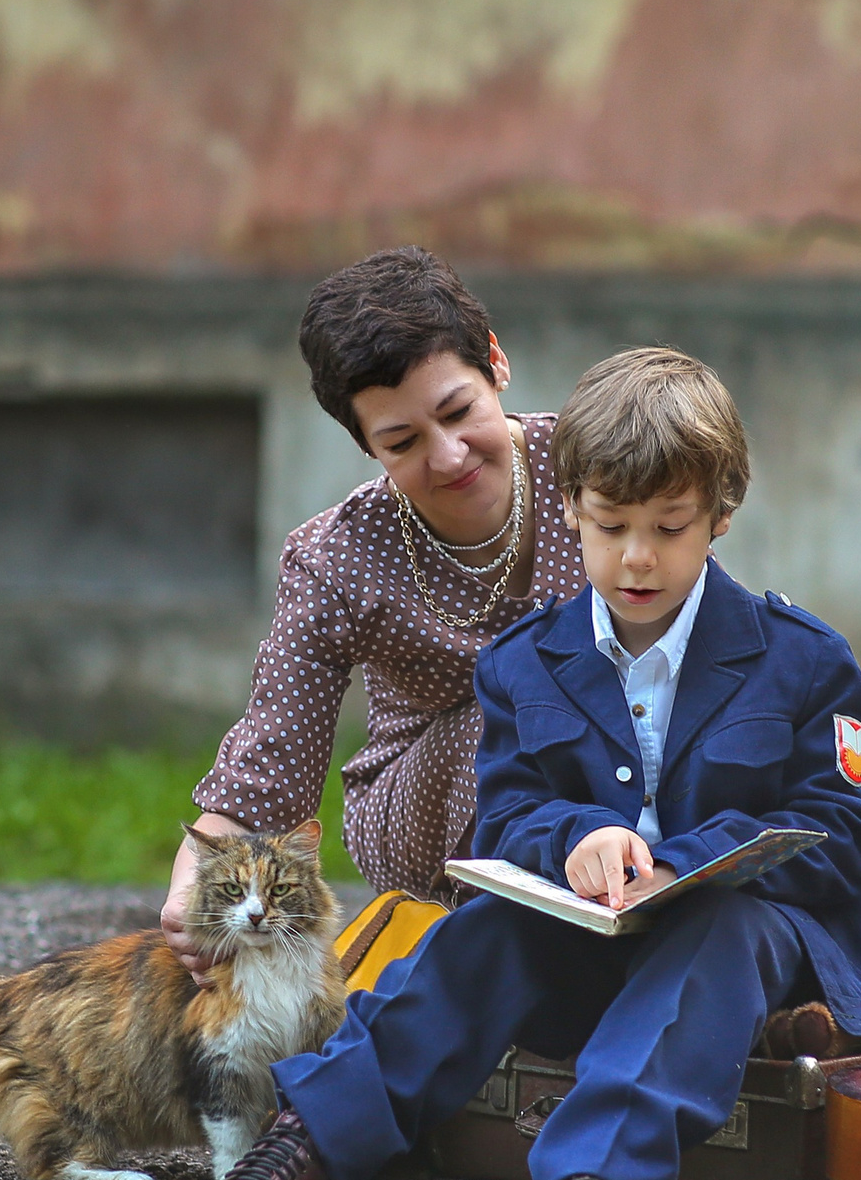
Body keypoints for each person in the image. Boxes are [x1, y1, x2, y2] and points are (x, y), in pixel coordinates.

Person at [178, 348, 861, 1180]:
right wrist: (577, 836)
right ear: (570, 508)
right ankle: (302, 1155)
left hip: (756, 963)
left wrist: (689, 861)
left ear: (722, 513)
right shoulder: (522, 661)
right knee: (483, 933)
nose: (637, 556)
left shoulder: (804, 659)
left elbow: (849, 830)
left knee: (721, 927)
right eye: (610, 524)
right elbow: (508, 816)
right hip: (594, 950)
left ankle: (598, 1179)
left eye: (669, 527)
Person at [159, 247, 589, 975]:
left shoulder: (597, 467)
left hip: (615, 770)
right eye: (402, 441)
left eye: (458, 411)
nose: (449, 456)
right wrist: (192, 899)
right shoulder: (337, 558)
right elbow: (270, 767)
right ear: (365, 445)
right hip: (433, 798)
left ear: (495, 362)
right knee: (521, 701)